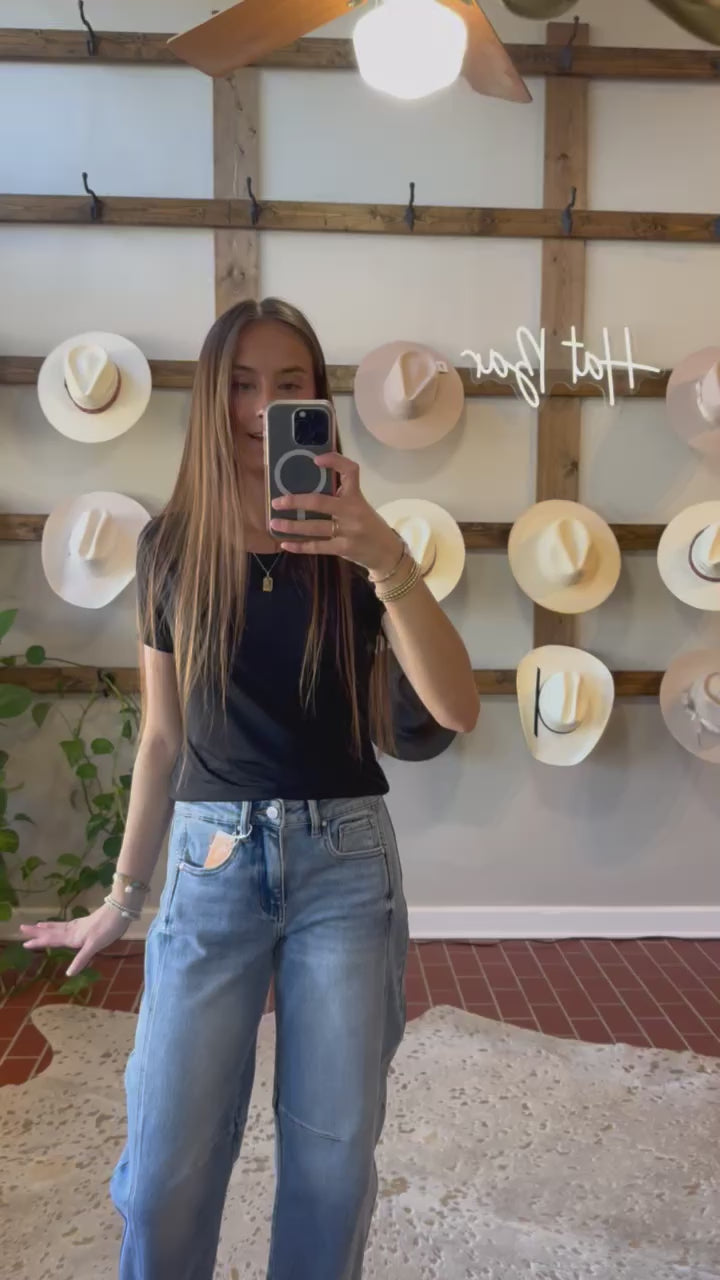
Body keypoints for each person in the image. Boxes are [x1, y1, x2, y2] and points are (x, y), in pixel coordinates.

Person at [21, 297, 480, 1280]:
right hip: (211, 860)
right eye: (240, 382)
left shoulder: (361, 545)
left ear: (318, 401)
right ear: (209, 394)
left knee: (330, 1167)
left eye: (288, 384)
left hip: (345, 865)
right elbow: (162, 738)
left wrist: (385, 555)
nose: (261, 405)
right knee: (163, 1171)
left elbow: (456, 707)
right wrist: (122, 897)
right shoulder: (169, 546)